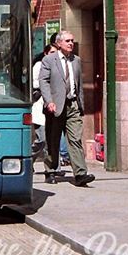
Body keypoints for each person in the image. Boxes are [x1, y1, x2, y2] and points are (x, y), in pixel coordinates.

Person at [38, 30, 95, 187]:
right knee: (53, 139)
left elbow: (79, 84)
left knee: (75, 139)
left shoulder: (76, 60)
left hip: (72, 105)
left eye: (72, 41)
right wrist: (48, 101)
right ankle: (50, 171)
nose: (71, 44)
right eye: (68, 41)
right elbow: (43, 81)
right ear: (59, 43)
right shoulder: (49, 60)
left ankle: (80, 174)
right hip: (55, 106)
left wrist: (80, 103)